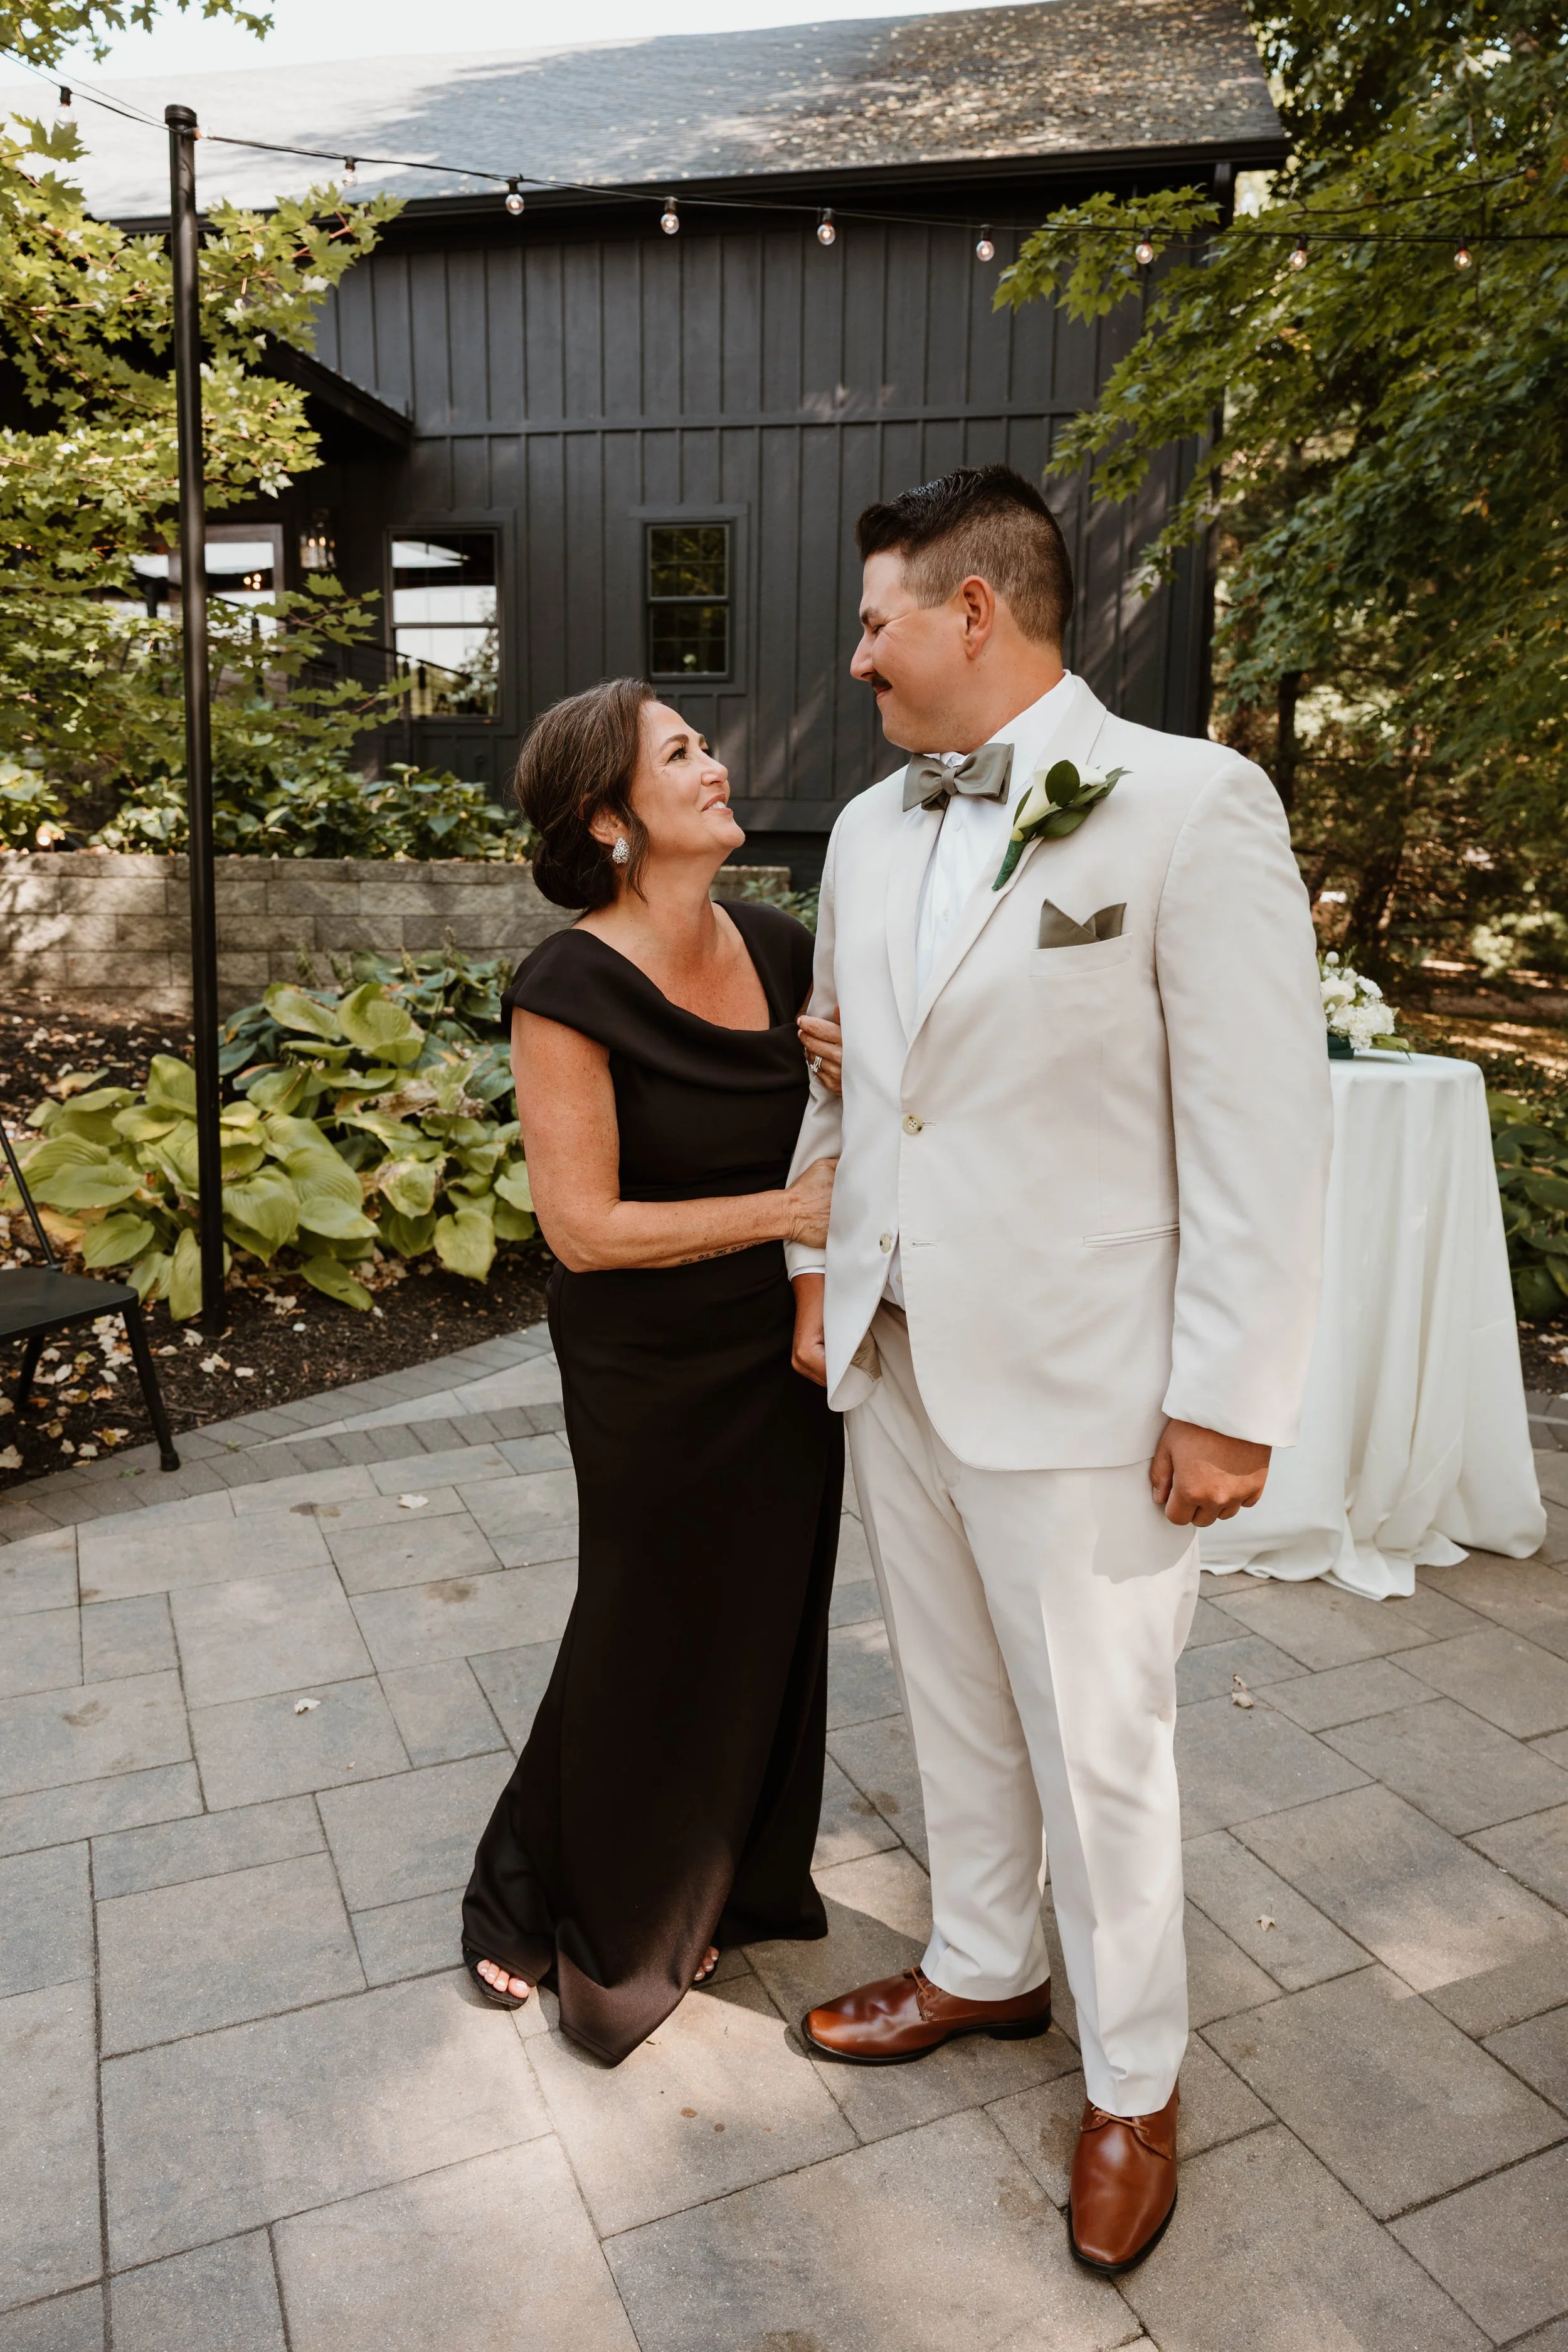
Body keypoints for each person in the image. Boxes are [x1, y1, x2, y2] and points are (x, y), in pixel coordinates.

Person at [786, 467, 1330, 2272]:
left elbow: (1262, 1128)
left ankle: (1133, 2075)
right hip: (901, 1344)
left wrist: (1228, 1396)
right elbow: (849, 1073)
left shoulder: (1188, 801)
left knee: (1101, 1741)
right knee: (947, 1693)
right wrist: (816, 1266)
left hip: (1093, 1377)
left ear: (971, 612)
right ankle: (980, 1964)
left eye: (874, 620)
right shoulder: (864, 829)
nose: (851, 656)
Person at [461, 677, 844, 2065]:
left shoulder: (786, 948)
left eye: (701, 743)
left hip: (784, 1346)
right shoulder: (565, 982)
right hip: (646, 1359)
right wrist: (786, 1220)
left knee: (761, 1616)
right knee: (643, 1621)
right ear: (608, 820)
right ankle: (568, 1901)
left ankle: (722, 1881)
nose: (716, 763)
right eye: (677, 753)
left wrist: (859, 1084)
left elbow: (831, 1129)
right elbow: (582, 1228)